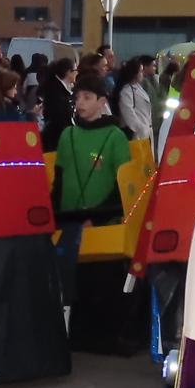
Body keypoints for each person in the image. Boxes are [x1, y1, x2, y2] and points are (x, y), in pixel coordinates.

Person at [51, 74, 130, 295]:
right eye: (77, 98)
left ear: (102, 102)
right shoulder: (67, 134)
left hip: (101, 226)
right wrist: (53, 217)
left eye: (87, 97)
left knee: (97, 291)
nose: (80, 103)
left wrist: (97, 218)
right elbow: (59, 179)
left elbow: (122, 187)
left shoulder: (116, 137)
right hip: (68, 224)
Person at [113, 55, 158, 140]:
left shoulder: (137, 87)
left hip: (144, 132)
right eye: (140, 71)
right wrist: (140, 128)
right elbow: (128, 114)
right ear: (134, 73)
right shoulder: (126, 91)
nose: (142, 74)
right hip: (136, 135)